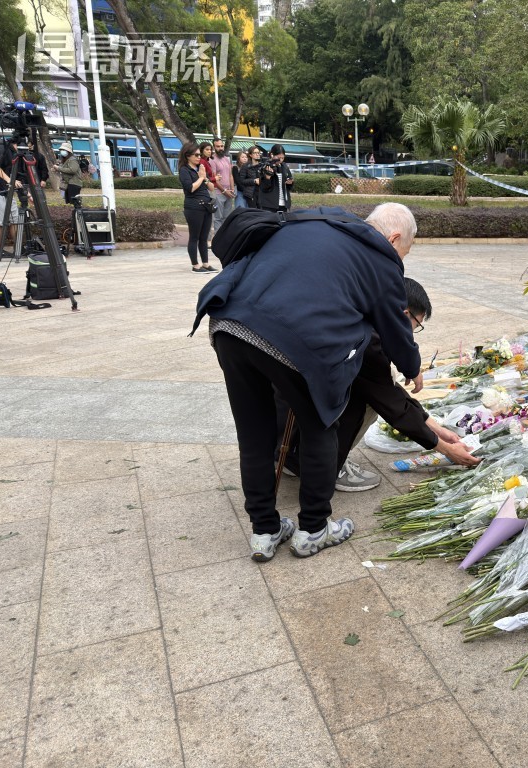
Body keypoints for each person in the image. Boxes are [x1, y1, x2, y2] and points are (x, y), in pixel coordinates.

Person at [191, 202, 423, 562]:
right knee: (320, 426)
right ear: (394, 237)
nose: (400, 260)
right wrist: (413, 366)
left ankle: (264, 532)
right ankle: (314, 529)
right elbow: (395, 331)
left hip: (229, 325)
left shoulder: (316, 220)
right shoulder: (380, 258)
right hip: (293, 340)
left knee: (254, 435)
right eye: (403, 251)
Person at [282, 277, 480, 489]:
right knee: (365, 402)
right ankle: (320, 466)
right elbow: (389, 402)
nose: (413, 334)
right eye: (417, 325)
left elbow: (383, 386)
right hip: (295, 412)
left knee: (374, 391)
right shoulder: (368, 339)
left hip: (286, 406)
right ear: (405, 315)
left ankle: (293, 457)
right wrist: (445, 449)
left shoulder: (362, 315)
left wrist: (437, 429)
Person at [178, 141, 217, 273]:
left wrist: (205, 178)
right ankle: (195, 265)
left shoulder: (200, 168)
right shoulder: (184, 170)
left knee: (204, 237)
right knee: (194, 236)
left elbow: (211, 187)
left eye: (200, 155)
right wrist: (200, 178)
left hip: (206, 206)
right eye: (196, 155)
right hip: (193, 207)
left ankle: (205, 263)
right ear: (187, 155)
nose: (199, 157)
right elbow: (190, 189)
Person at [209, 137, 236, 232]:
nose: (220, 148)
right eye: (218, 146)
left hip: (229, 193)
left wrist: (232, 189)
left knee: (227, 218)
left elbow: (230, 175)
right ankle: (217, 241)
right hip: (219, 193)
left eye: (221, 146)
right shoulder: (212, 160)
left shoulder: (226, 159)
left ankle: (224, 240)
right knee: (218, 218)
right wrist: (224, 191)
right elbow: (215, 179)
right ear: (214, 147)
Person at [257, 144, 293, 212]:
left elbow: (289, 186)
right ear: (272, 155)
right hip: (269, 204)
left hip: (284, 204)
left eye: (283, 158)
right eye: (279, 158)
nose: (281, 160)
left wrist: (290, 183)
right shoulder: (265, 166)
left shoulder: (284, 166)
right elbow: (263, 188)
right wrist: (267, 178)